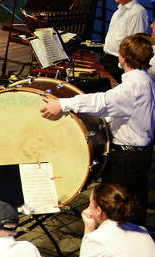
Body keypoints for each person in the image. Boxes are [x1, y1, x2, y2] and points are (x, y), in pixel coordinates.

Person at [42, 34, 155, 217]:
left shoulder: (131, 87)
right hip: (139, 155)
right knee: (134, 203)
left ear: (123, 58)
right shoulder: (146, 80)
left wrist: (62, 104)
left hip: (126, 159)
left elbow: (101, 102)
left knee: (120, 209)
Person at [100, 0, 150, 79]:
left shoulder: (138, 13)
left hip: (118, 66)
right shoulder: (118, 11)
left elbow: (135, 47)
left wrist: (122, 68)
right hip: (107, 59)